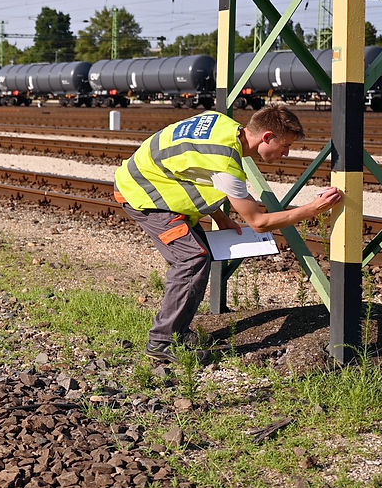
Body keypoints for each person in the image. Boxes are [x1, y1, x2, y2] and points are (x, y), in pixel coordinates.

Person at [113, 104, 343, 363]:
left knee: (197, 258)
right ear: (267, 137)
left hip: (150, 180)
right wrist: (313, 209)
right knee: (192, 259)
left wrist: (221, 217)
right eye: (285, 146)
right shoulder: (226, 163)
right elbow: (259, 222)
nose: (286, 154)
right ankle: (162, 341)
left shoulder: (219, 123)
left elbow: (195, 168)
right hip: (142, 194)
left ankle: (178, 331)